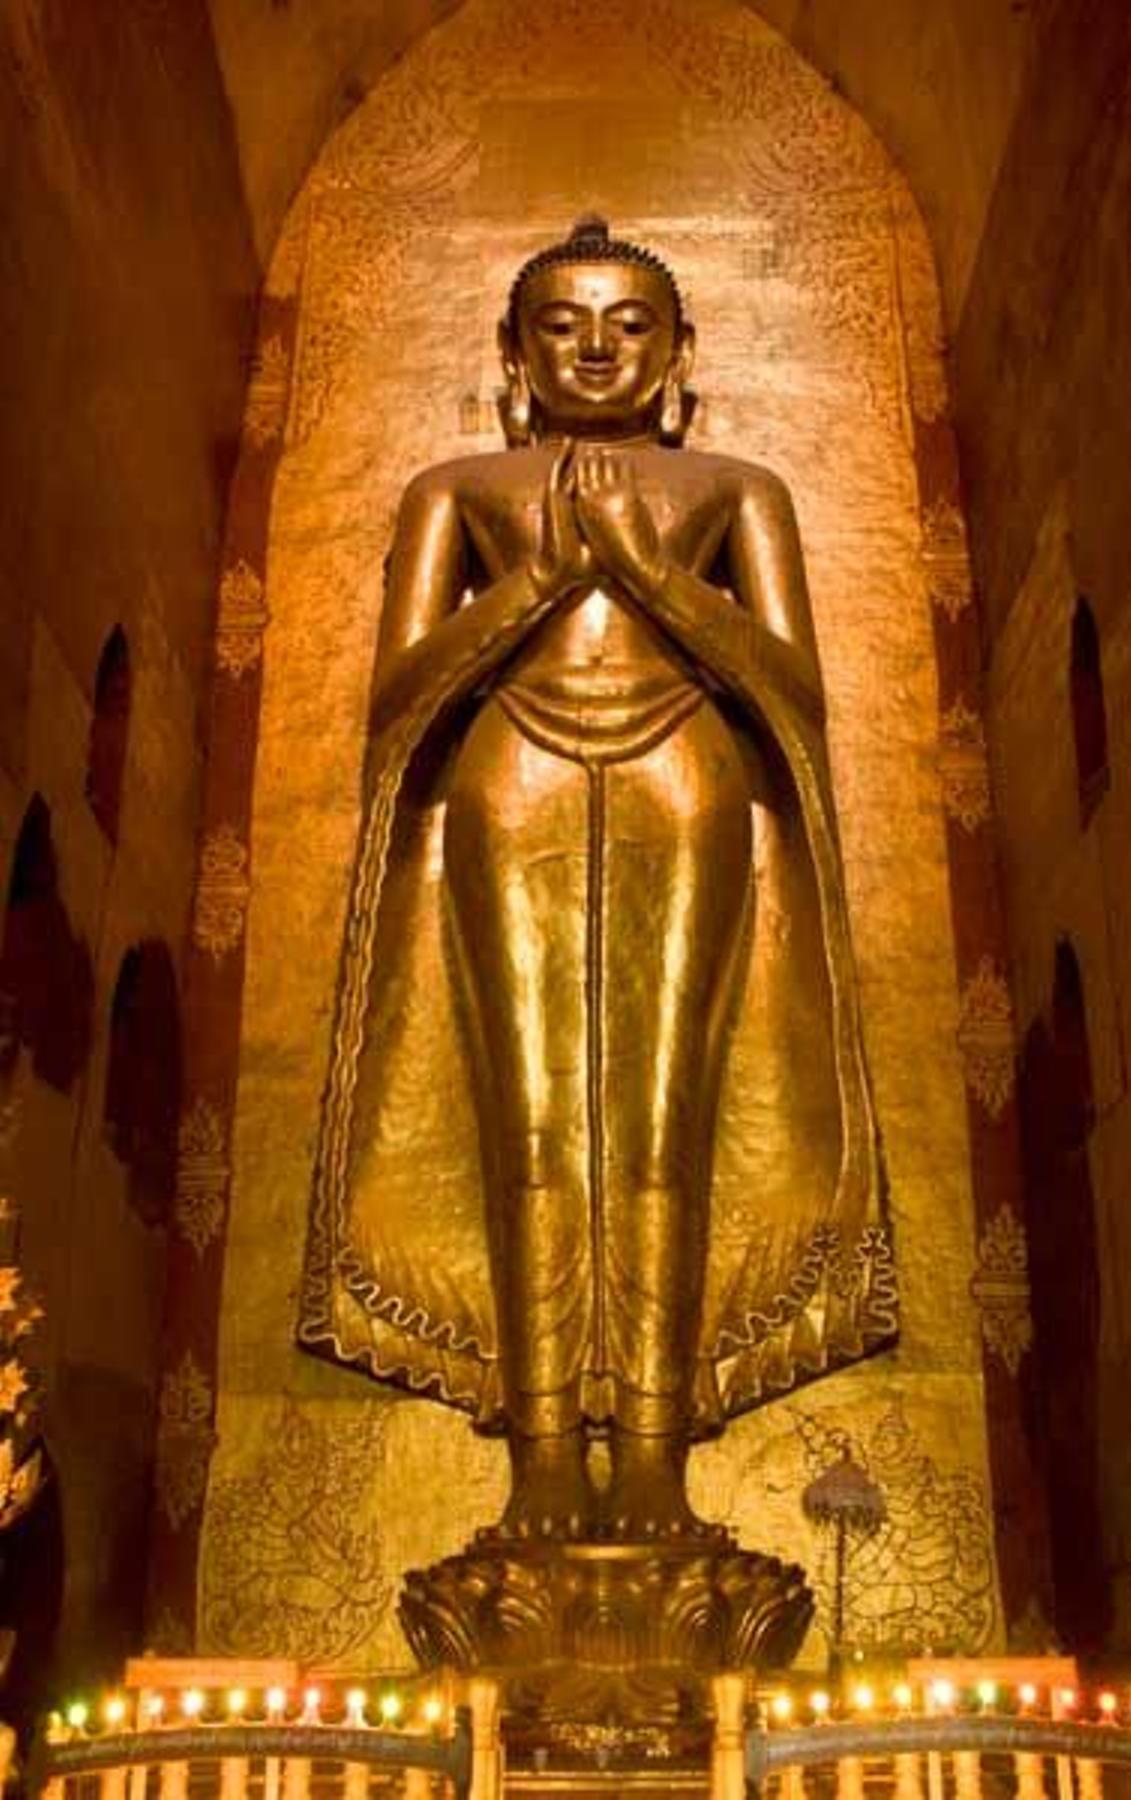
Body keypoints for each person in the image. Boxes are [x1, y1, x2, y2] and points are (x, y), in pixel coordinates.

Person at [300, 219, 893, 1539]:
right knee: (528, 1115)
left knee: (667, 1115)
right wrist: (544, 583)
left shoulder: (741, 489)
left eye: (631, 324)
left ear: (680, 352)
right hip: (508, 776)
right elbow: (397, 697)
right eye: (563, 325)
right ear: (515, 353)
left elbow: (792, 687)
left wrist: (641, 574)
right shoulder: (455, 490)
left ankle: (655, 1468)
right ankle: (543, 1467)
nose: (596, 349)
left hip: (688, 772)